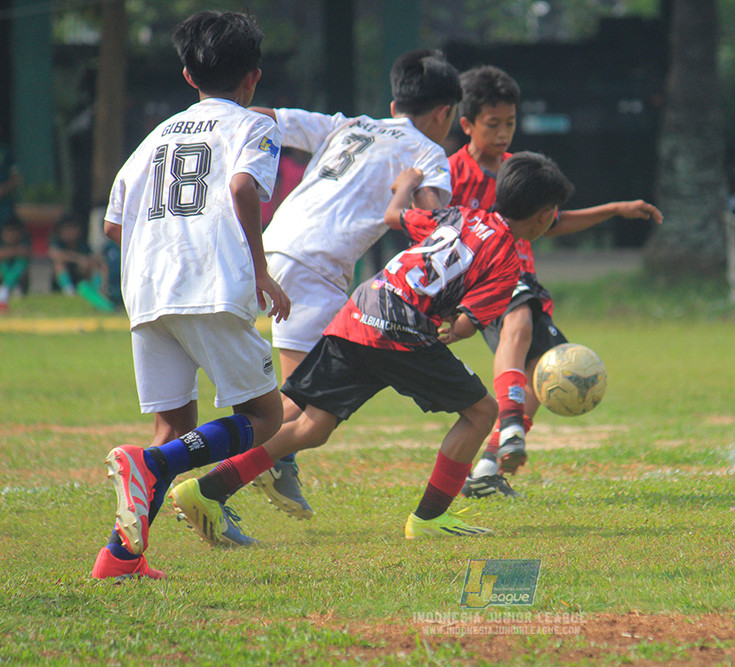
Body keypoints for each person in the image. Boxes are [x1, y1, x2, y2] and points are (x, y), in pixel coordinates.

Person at [166, 152, 574, 542]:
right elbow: (467, 324)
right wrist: (450, 328)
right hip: (401, 326)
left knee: (312, 425)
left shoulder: (459, 215)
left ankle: (206, 489)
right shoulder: (507, 261)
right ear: (545, 216)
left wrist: (407, 184)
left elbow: (395, 216)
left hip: (363, 306)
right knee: (482, 411)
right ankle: (430, 517)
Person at [91, 10, 289, 580]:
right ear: (253, 77)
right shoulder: (254, 125)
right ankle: (147, 466)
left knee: (174, 430)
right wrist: (260, 270)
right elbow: (243, 185)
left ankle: (120, 558)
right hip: (210, 283)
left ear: (187, 76)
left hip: (148, 291)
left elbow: (113, 223)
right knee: (265, 415)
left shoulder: (155, 137)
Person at [246, 49, 461, 517]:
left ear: (394, 107)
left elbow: (269, 116)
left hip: (272, 245)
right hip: (315, 264)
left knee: (300, 394)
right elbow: (428, 219)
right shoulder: (428, 152)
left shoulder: (349, 124)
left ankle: (273, 467)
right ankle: (203, 468)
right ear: (444, 113)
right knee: (304, 403)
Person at [448, 65, 662, 498]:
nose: (505, 132)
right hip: (486, 280)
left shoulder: (518, 169)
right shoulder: (449, 173)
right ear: (467, 124)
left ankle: (489, 467)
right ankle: (509, 422)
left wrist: (615, 209)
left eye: (511, 122)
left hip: (522, 277)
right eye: (494, 124)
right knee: (520, 323)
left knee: (547, 374)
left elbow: (552, 220)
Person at [48, 215, 111, 311]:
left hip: (82, 278)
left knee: (96, 265)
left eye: (73, 229)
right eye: (67, 229)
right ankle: (69, 291)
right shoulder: (57, 243)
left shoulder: (82, 245)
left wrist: (87, 263)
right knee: (59, 264)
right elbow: (55, 254)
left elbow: (93, 258)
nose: (70, 233)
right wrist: (78, 259)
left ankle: (98, 291)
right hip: (63, 281)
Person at [0, 217, 30, 311]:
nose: (12, 235)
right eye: (9, 232)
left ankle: (6, 289)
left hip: (21, 281)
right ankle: (6, 289)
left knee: (21, 262)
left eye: (15, 232)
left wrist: (7, 252)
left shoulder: (25, 241)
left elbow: (26, 253)